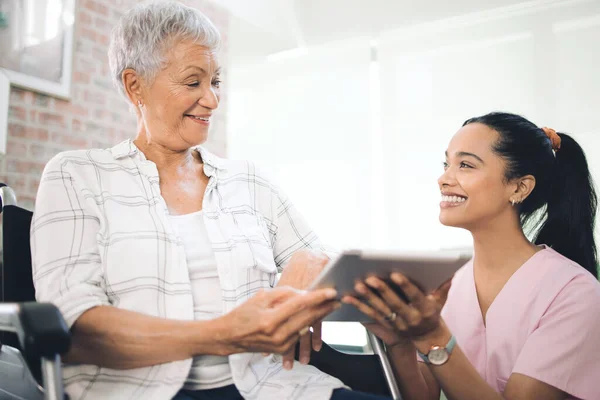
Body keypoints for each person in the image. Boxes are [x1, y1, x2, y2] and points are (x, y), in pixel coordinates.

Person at [30, 2, 390, 400]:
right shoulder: (77, 175)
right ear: (136, 86)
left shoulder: (248, 180)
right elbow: (74, 327)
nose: (213, 100)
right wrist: (224, 334)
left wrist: (310, 264)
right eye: (192, 82)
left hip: (274, 385)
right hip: (135, 390)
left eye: (215, 81)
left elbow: (325, 257)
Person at [344, 112, 600, 400]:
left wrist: (433, 337)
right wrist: (401, 343)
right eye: (446, 164)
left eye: (465, 165)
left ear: (519, 187)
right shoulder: (451, 285)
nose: (443, 179)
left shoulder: (575, 292)